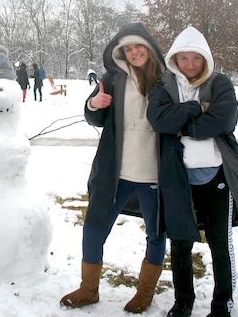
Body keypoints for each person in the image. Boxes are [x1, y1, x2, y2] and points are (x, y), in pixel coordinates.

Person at [147, 26, 238, 317]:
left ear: (205, 59)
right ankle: (183, 302)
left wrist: (181, 125)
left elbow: (224, 121)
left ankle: (222, 304)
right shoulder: (163, 87)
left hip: (217, 177)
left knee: (220, 243)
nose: (189, 64)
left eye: (195, 58)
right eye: (183, 58)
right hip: (179, 179)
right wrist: (196, 108)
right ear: (175, 59)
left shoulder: (219, 83)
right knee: (182, 243)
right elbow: (160, 121)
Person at [60, 22, 167, 314]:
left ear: (149, 46)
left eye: (138, 46)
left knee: (156, 234)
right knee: (94, 229)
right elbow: (95, 116)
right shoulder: (114, 78)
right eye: (128, 49)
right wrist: (94, 103)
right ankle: (88, 289)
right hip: (115, 173)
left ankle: (145, 293)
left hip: (154, 175)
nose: (134, 52)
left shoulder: (167, 80)